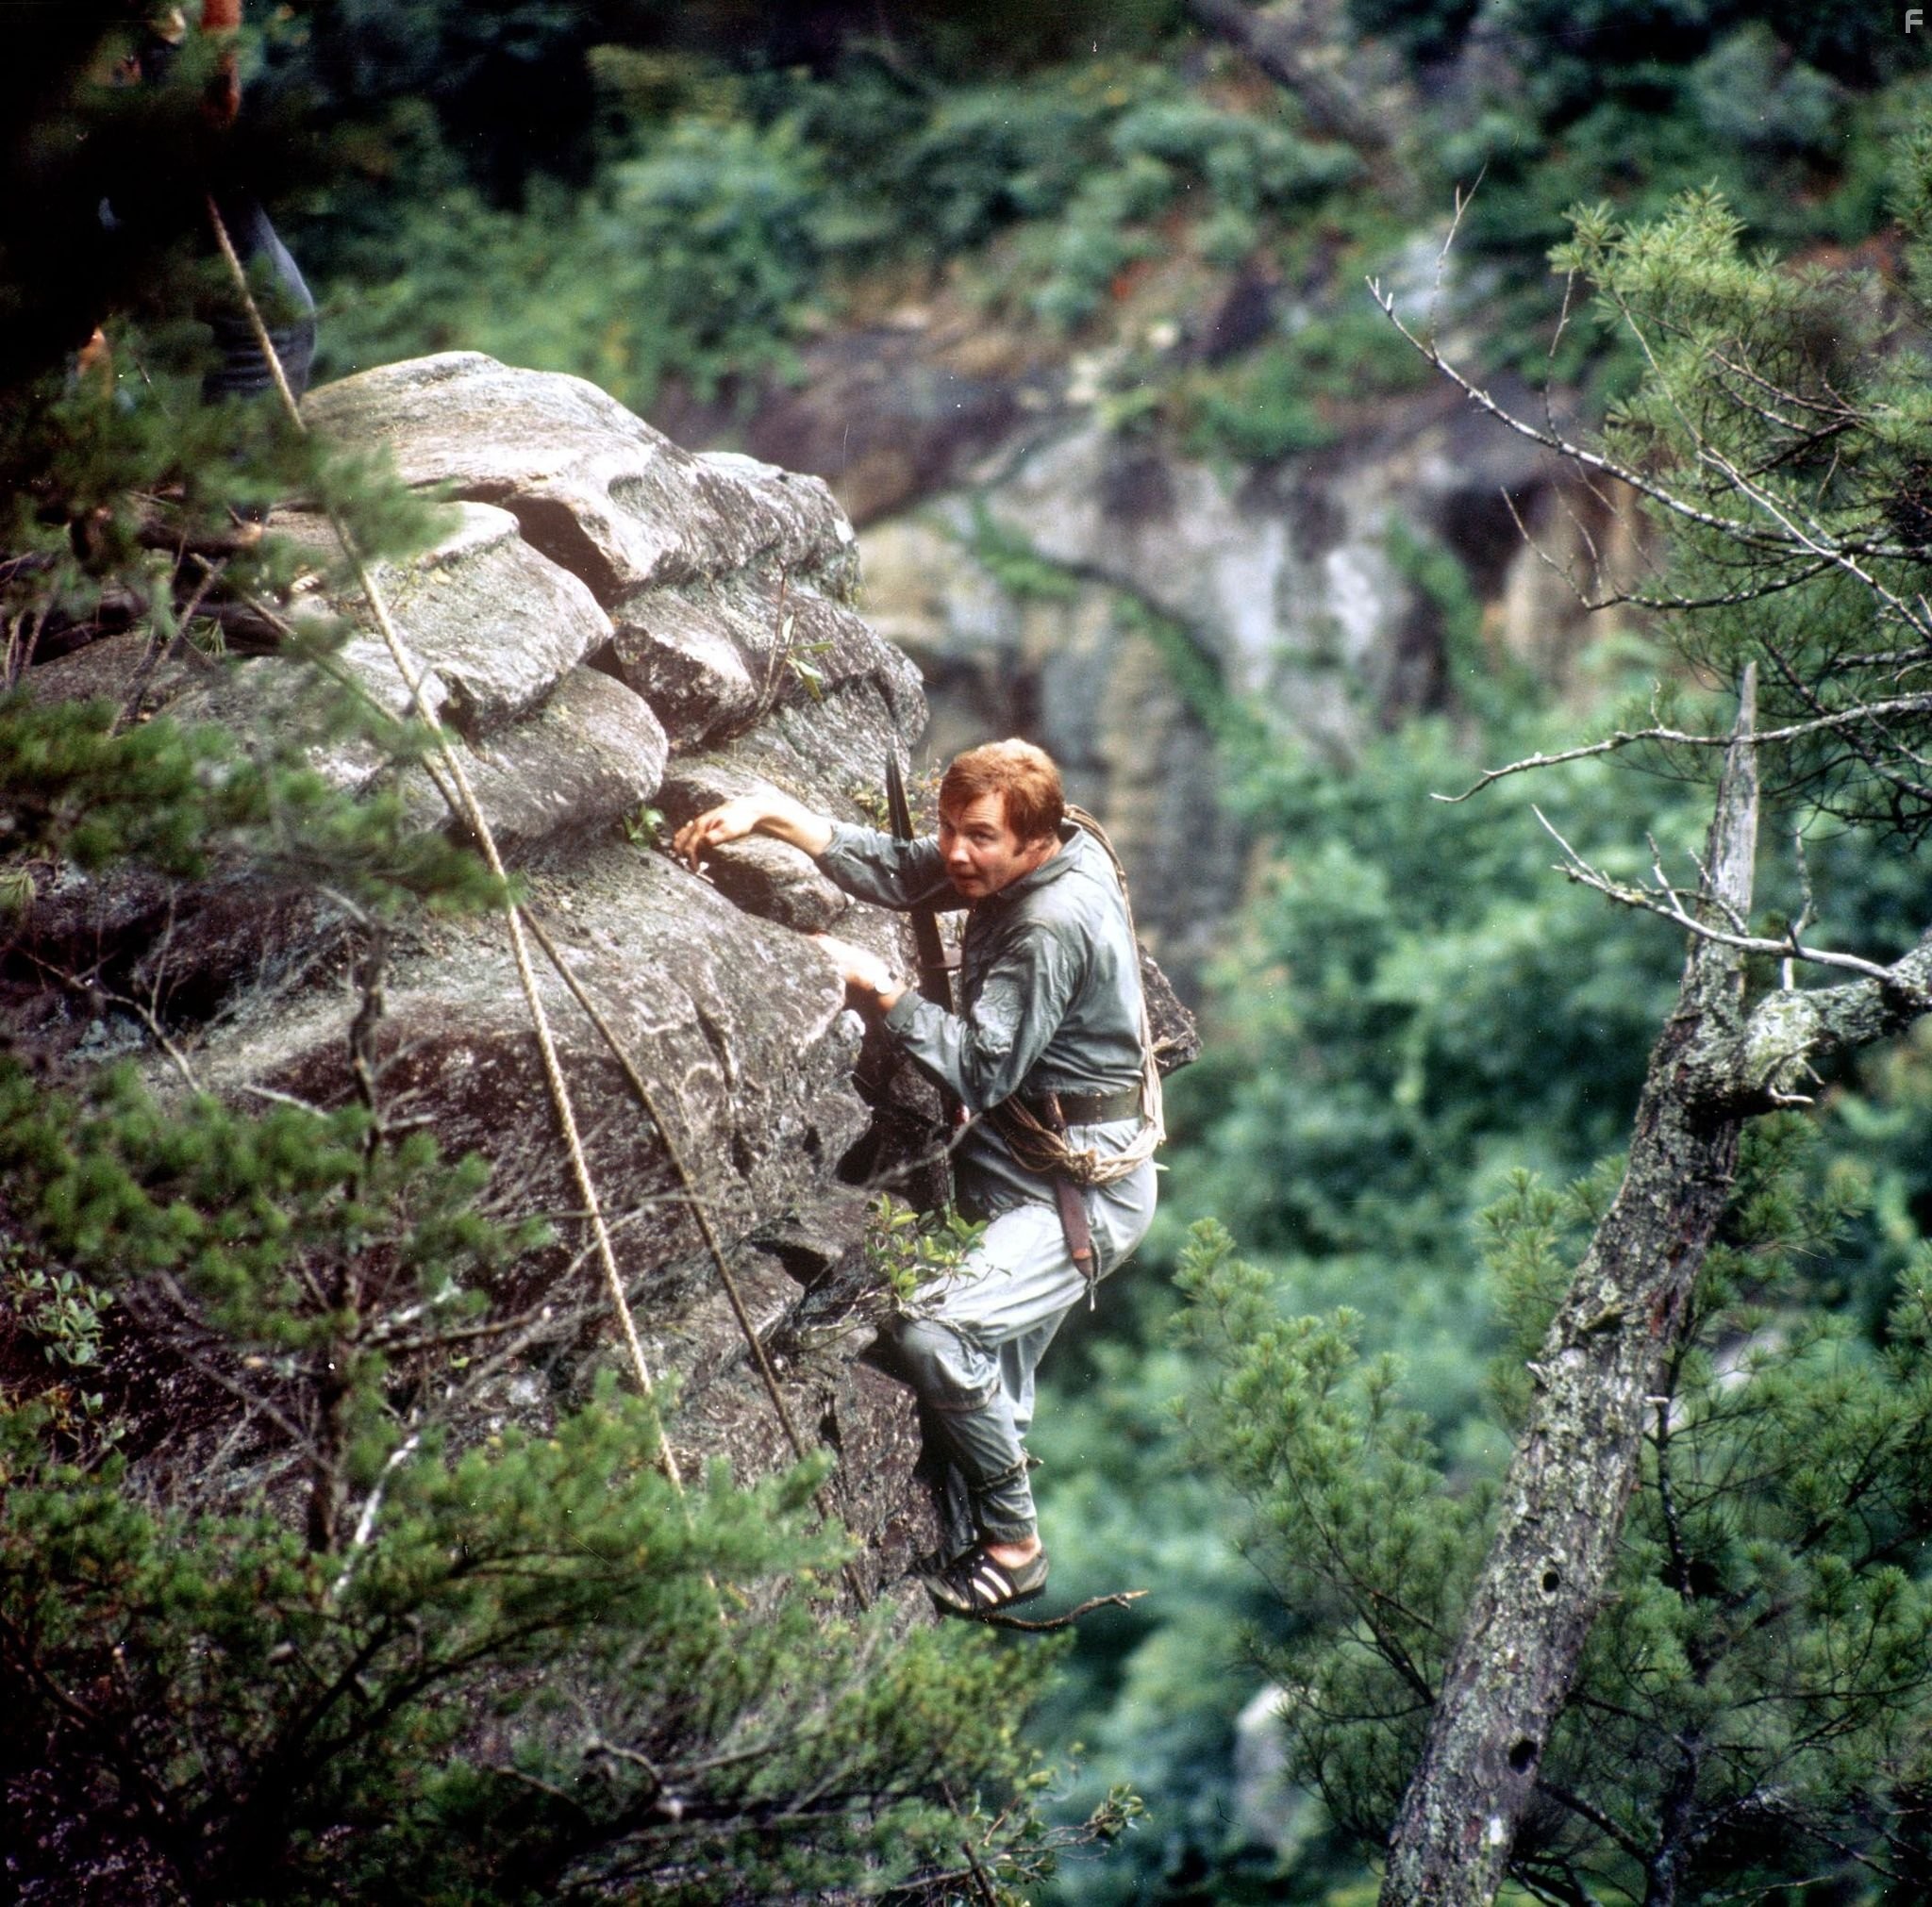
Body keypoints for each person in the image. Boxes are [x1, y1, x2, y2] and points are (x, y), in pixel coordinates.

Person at [674, 740, 1159, 1616]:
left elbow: (978, 1070)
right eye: (950, 827)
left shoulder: (1047, 928)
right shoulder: (1042, 850)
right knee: (980, 1361)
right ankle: (990, 1475)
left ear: (1035, 843)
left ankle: (1015, 1544)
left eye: (978, 836)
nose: (956, 852)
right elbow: (908, 871)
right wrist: (772, 813)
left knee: (939, 1333)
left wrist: (883, 991)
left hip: (1080, 1193)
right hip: (1022, 1155)